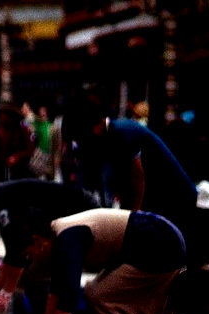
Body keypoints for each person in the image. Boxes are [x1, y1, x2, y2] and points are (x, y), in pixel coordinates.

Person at [11, 208, 185, 314]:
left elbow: (69, 298)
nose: (32, 259)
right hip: (154, 241)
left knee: (99, 294)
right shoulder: (59, 237)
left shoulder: (67, 239)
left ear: (37, 241)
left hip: (163, 244)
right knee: (100, 291)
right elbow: (56, 292)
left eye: (29, 254)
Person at [0, 179, 99, 314]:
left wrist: (5, 292)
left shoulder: (2, 204)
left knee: (39, 277)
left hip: (85, 216)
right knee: (38, 277)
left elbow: (17, 252)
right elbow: (12, 254)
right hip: (72, 223)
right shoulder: (0, 203)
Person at [68, 106, 199, 263]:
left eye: (85, 135)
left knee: (175, 256)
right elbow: (125, 184)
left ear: (97, 126)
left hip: (176, 195)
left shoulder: (122, 131)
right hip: (163, 196)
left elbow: (138, 176)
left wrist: (133, 217)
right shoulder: (111, 137)